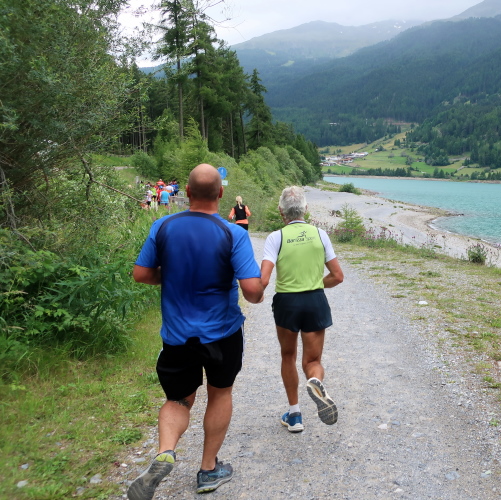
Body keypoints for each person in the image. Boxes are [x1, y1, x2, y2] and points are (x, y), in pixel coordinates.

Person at [128, 163, 264, 499]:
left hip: (177, 336)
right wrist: (260, 284)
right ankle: (207, 470)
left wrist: (173, 276)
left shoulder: (163, 226)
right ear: (221, 193)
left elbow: (141, 274)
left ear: (187, 192)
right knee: (220, 393)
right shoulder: (233, 234)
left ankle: (165, 452)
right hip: (222, 334)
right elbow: (251, 292)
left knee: (178, 399)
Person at [260, 186, 344, 433]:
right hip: (315, 301)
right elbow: (337, 276)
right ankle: (315, 381)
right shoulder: (320, 235)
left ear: (281, 211)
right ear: (306, 209)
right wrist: (315, 284)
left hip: (287, 303)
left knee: (288, 356)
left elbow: (263, 279)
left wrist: (254, 292)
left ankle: (295, 415)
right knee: (313, 360)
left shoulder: (276, 238)